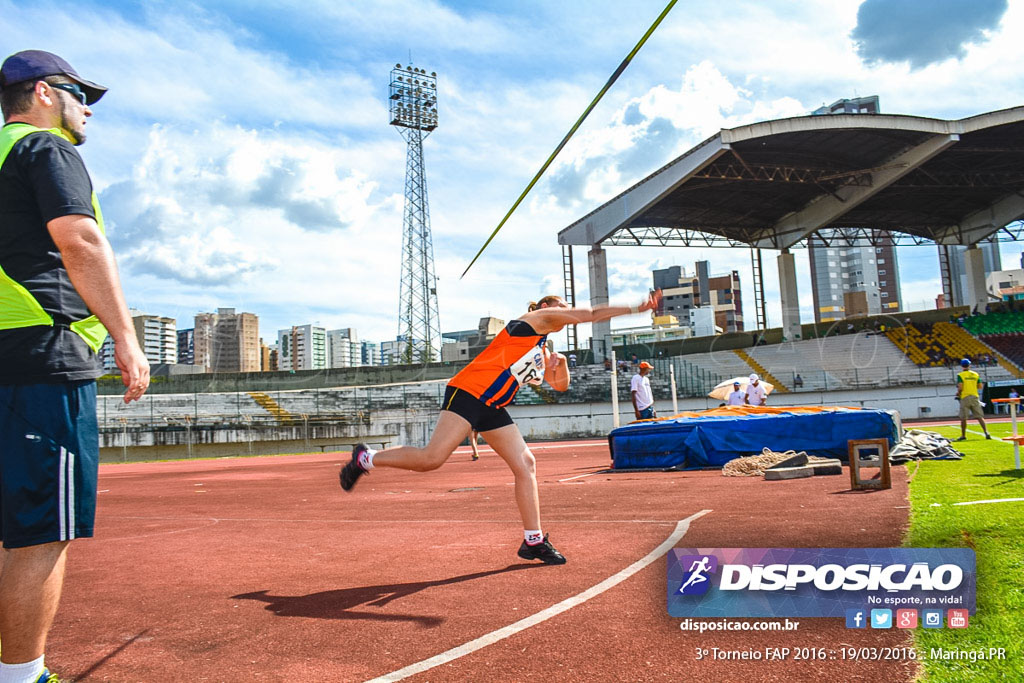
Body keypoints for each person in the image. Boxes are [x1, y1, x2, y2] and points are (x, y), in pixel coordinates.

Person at [0, 50, 150, 683]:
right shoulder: (44, 149)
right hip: (41, 354)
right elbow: (80, 239)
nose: (87, 106)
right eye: (77, 92)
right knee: (40, 528)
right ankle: (21, 675)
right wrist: (126, 336)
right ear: (42, 93)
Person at [338, 291, 662, 565]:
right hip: (469, 393)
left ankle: (533, 540)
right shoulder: (534, 322)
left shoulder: (542, 348)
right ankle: (366, 458)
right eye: (563, 311)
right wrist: (638, 306)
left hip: (492, 406)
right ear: (546, 310)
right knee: (431, 459)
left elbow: (558, 387)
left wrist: (559, 366)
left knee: (526, 464)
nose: (569, 316)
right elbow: (590, 313)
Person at [955, 358, 991, 441]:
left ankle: (963, 435)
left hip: (965, 397)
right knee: (979, 416)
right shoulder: (975, 374)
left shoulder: (960, 375)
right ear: (969, 365)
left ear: (961, 366)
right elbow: (980, 386)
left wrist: (958, 393)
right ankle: (986, 432)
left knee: (964, 417)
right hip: (974, 396)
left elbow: (960, 387)